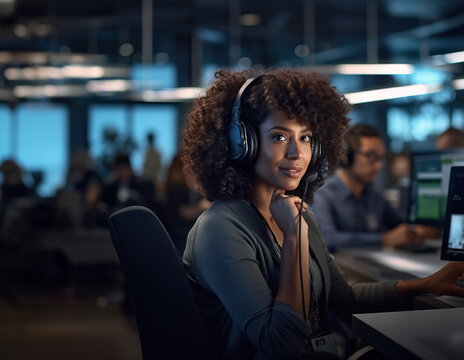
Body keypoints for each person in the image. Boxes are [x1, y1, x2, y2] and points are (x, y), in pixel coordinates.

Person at [180, 68, 464, 360]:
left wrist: (427, 284)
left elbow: (343, 298)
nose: (297, 153)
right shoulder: (221, 229)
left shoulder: (298, 212)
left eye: (305, 138)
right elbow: (281, 345)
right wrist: (294, 237)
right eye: (279, 137)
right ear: (243, 144)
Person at [312, 124, 435, 252]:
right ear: (347, 156)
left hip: (370, 268)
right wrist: (385, 239)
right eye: (370, 156)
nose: (378, 166)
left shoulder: (373, 195)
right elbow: (328, 239)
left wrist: (416, 230)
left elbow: (400, 222)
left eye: (380, 158)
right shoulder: (322, 195)